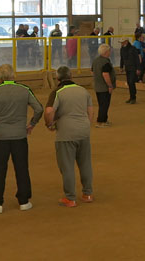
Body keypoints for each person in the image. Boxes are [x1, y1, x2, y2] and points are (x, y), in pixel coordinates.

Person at [0, 64, 44, 214]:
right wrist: (31, 124)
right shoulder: (24, 90)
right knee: (22, 168)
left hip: (0, 136)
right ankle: (24, 201)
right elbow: (39, 109)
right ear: (14, 75)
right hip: (20, 136)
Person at [42, 66, 95, 208]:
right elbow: (90, 110)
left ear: (57, 78)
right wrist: (86, 124)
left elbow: (48, 111)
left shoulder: (57, 92)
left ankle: (70, 198)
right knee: (85, 164)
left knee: (67, 166)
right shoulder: (83, 90)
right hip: (83, 131)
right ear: (71, 76)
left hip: (66, 133)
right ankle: (87, 194)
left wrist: (49, 124)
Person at [90, 44, 115, 127]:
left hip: (97, 86)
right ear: (106, 52)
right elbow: (105, 74)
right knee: (104, 105)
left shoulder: (95, 60)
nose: (110, 52)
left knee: (102, 104)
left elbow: (92, 71)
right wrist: (110, 86)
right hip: (104, 87)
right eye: (109, 51)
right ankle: (100, 121)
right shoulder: (106, 62)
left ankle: (104, 119)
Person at [120, 37, 140, 104]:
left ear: (126, 42)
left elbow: (137, 59)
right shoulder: (122, 49)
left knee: (131, 82)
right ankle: (131, 97)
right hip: (127, 68)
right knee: (129, 82)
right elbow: (122, 59)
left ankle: (133, 97)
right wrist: (121, 67)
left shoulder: (133, 48)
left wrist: (138, 68)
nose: (121, 44)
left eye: (122, 42)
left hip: (133, 68)